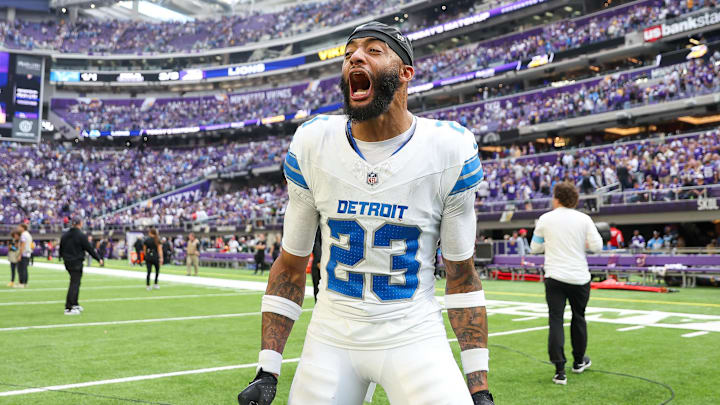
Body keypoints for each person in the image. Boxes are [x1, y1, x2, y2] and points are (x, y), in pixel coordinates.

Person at [238, 22, 494, 405]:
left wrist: (480, 387)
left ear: (406, 72)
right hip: (331, 337)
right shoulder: (313, 143)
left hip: (413, 336)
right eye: (349, 52)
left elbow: (461, 276)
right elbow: (290, 265)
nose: (354, 56)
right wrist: (267, 368)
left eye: (374, 50)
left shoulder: (449, 148)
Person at [530, 182, 604, 385]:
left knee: (556, 320)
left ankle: (559, 370)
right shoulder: (584, 219)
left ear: (556, 197)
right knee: (578, 318)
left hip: (554, 276)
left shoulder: (545, 219)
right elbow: (597, 246)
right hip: (580, 277)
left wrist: (551, 244)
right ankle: (579, 362)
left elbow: (534, 248)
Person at [59, 218, 103, 315]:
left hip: (68, 261)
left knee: (76, 283)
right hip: (77, 262)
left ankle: (74, 303)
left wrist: (61, 257)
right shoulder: (81, 235)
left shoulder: (65, 235)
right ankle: (69, 307)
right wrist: (98, 258)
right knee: (74, 284)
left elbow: (61, 247)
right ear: (80, 224)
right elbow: (89, 248)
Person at [16, 224, 32, 288]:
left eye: (19, 227)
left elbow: (23, 245)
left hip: (24, 253)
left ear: (23, 228)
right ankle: (25, 283)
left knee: (21, 269)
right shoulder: (28, 234)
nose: (18, 228)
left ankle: (21, 283)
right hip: (27, 253)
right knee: (25, 269)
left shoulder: (23, 234)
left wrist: (20, 255)